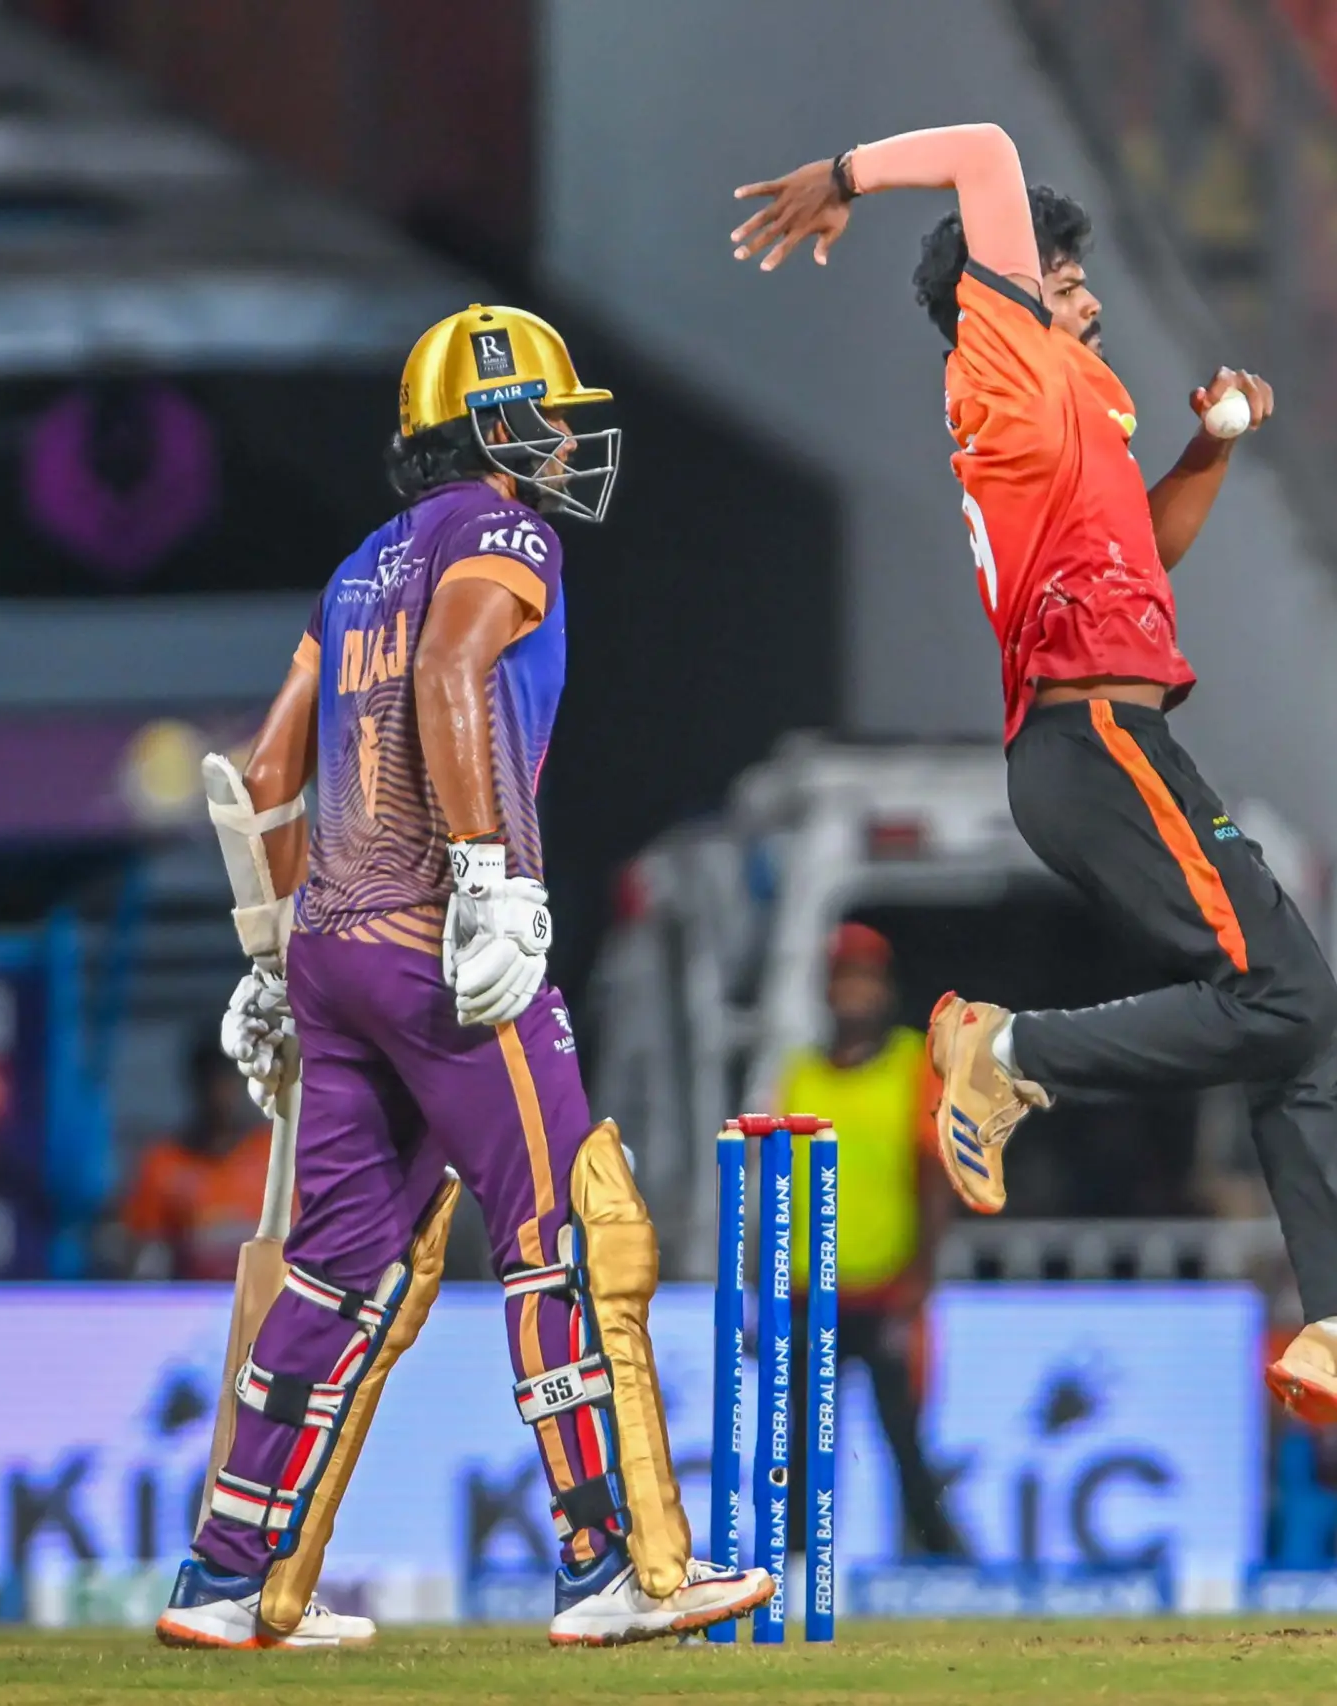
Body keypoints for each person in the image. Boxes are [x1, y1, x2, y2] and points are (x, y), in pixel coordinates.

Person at [729, 123, 1337, 1460]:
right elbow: (984, 150)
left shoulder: (1075, 402)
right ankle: (1007, 1051)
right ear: (1002, 292)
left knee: (1306, 1027)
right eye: (1063, 279)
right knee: (1285, 1000)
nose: (1084, 297)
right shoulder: (1004, 353)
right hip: (1087, 738)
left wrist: (1211, 449)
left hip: (1118, 740)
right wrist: (841, 180)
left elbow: (1147, 547)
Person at [157, 304, 770, 1652]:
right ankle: (605, 1562)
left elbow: (262, 773)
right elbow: (449, 663)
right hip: (439, 941)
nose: (562, 443)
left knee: (331, 1269)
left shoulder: (354, 566)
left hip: (331, 945)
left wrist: (268, 955)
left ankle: (221, 1575)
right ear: (492, 423)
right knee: (566, 1230)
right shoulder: (503, 531)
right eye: (544, 417)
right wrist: (489, 876)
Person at [773, 923, 966, 1558]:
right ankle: (795, 1572)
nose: (854, 994)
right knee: (801, 1444)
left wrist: (920, 1280)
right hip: (808, 1293)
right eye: (843, 980)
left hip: (886, 1291)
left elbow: (933, 1175)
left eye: (866, 980)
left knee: (904, 1441)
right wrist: (762, 1284)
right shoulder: (801, 1074)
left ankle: (939, 1561)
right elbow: (773, 1187)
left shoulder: (913, 1063)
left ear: (885, 989)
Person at [118, 1031, 275, 1281]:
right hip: (193, 1295)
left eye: (228, 1081)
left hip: (265, 1294)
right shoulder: (164, 1162)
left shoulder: (274, 1154)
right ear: (195, 1086)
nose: (220, 1095)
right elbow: (145, 1255)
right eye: (211, 1082)